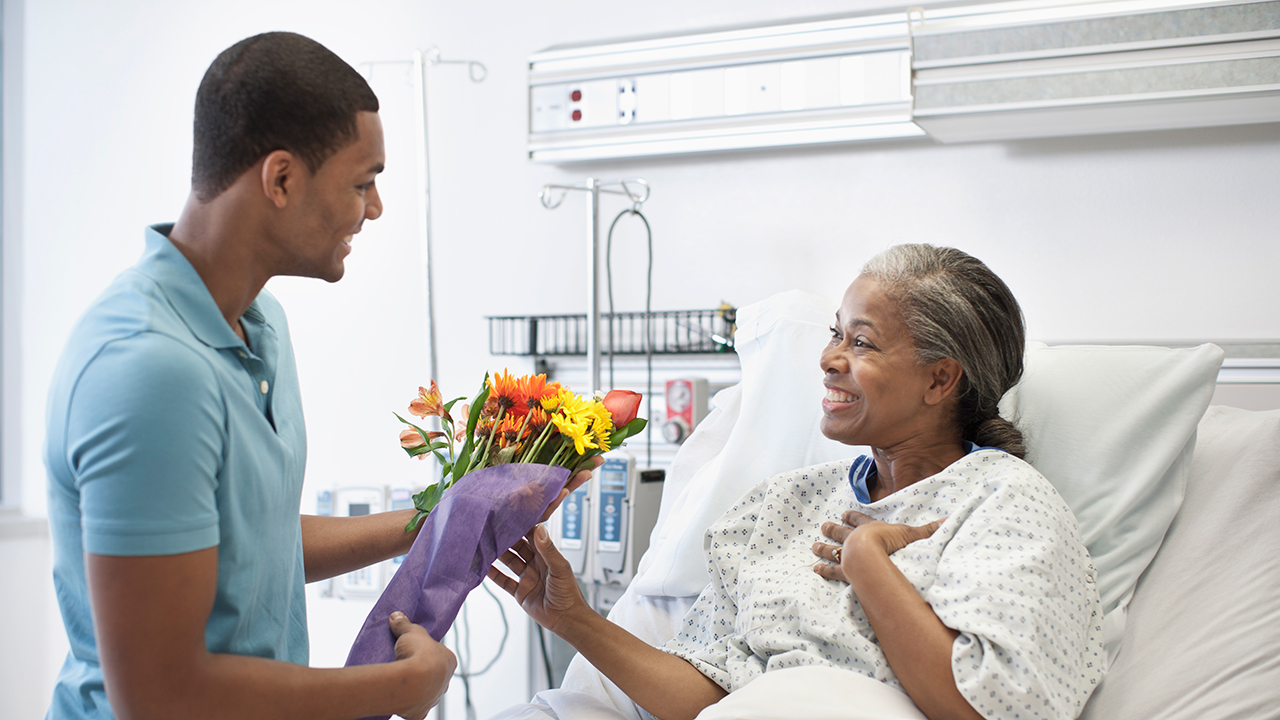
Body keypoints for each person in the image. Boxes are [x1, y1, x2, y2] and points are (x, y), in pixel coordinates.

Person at [44, 32, 590, 720]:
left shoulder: (259, 325)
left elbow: (252, 547)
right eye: (362, 182)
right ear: (281, 179)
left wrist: (453, 508)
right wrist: (401, 687)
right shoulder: (149, 369)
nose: (376, 207)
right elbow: (159, 695)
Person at [490, 245, 1106, 720]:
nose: (829, 357)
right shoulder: (780, 505)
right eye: (835, 332)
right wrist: (570, 617)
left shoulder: (1001, 503)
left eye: (861, 342)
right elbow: (706, 692)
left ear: (940, 381)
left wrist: (869, 563)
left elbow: (989, 707)